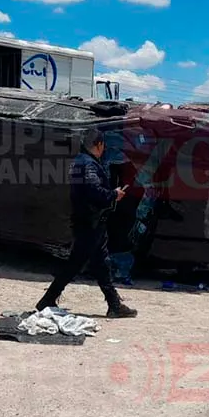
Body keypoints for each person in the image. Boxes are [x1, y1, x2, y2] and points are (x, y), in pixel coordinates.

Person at [36, 127, 138, 318]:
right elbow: (93, 192)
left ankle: (114, 304)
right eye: (103, 145)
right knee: (77, 264)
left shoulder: (79, 162)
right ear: (99, 145)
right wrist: (113, 195)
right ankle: (48, 299)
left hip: (88, 222)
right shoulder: (88, 165)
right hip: (89, 223)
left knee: (100, 264)